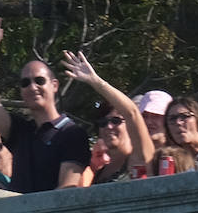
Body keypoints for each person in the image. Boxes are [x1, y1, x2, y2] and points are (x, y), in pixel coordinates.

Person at [0, 14, 89, 192]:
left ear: (54, 85)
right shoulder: (21, 131)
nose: (32, 87)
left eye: (39, 80)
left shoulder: (72, 133)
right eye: (25, 83)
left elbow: (66, 188)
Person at [64, 51, 155, 183]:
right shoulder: (99, 172)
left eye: (116, 121)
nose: (108, 127)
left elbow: (132, 113)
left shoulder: (139, 158)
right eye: (103, 123)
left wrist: (95, 81)